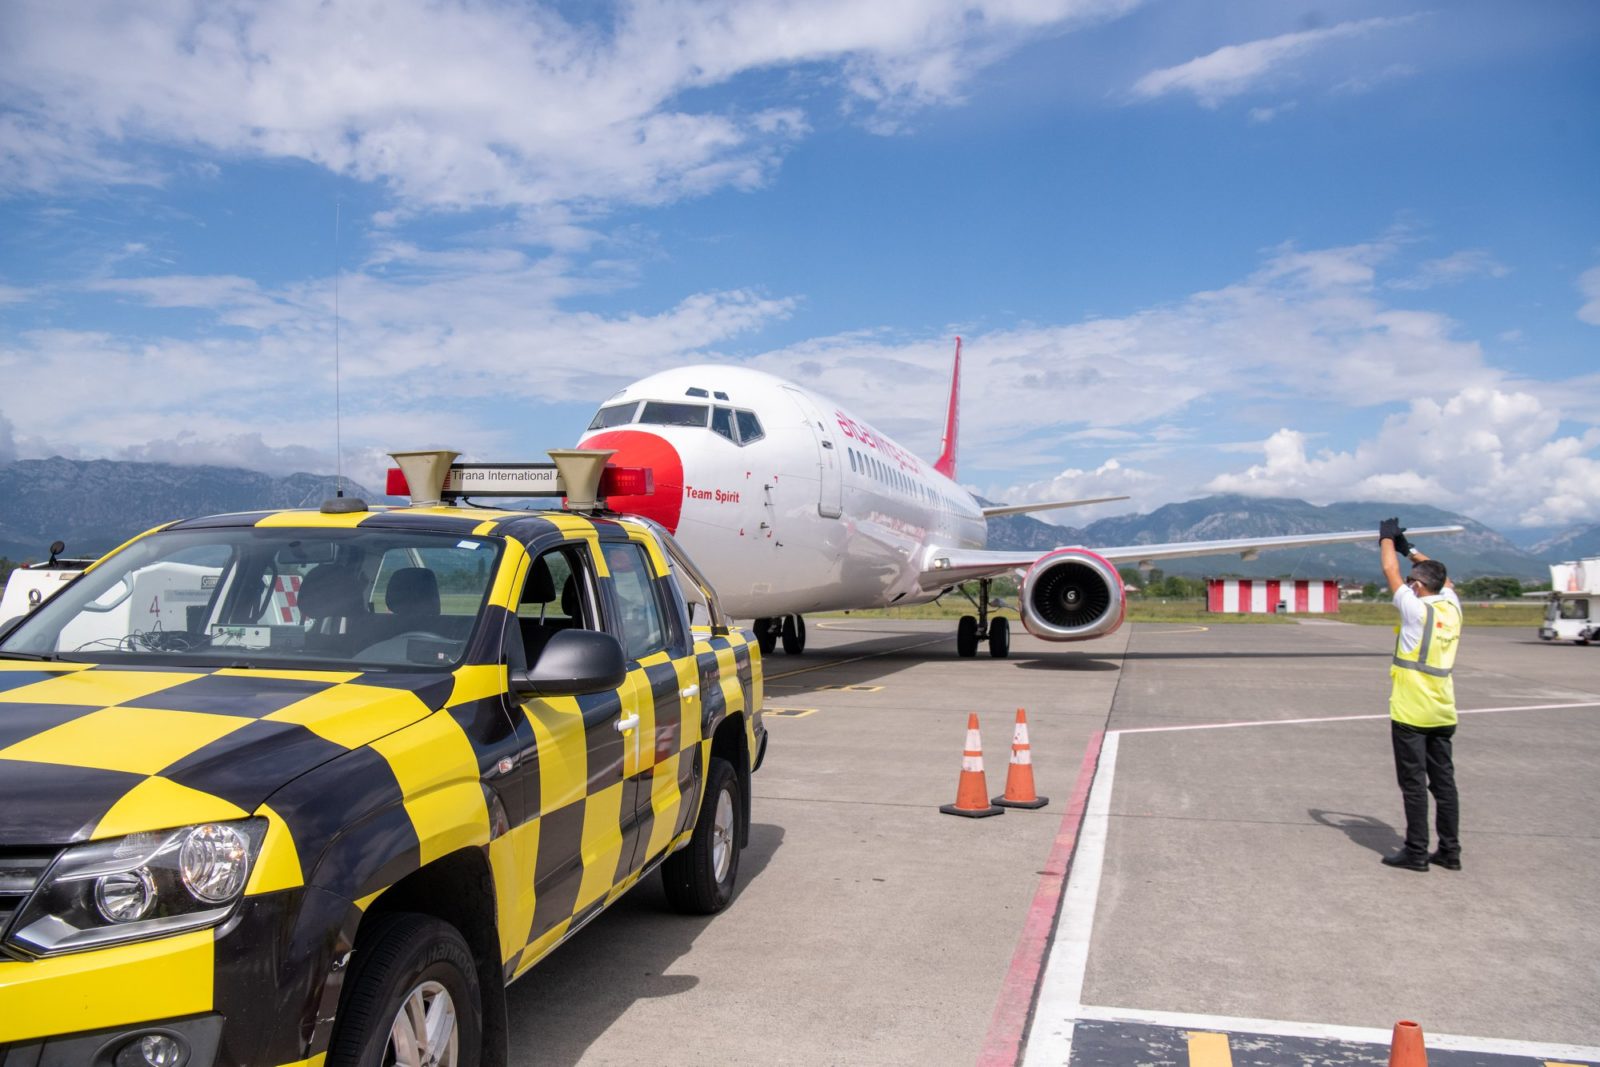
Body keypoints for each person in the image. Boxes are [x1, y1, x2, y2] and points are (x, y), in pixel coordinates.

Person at [1378, 517, 1463, 872]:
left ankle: (1415, 852)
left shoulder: (1415, 610)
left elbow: (1389, 570)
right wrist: (1408, 548)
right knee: (1444, 784)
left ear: (1417, 585)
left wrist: (1385, 539)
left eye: (1413, 582)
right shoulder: (1452, 606)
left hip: (1411, 712)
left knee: (1413, 785)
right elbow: (1443, 578)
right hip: (1443, 711)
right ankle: (1450, 851)